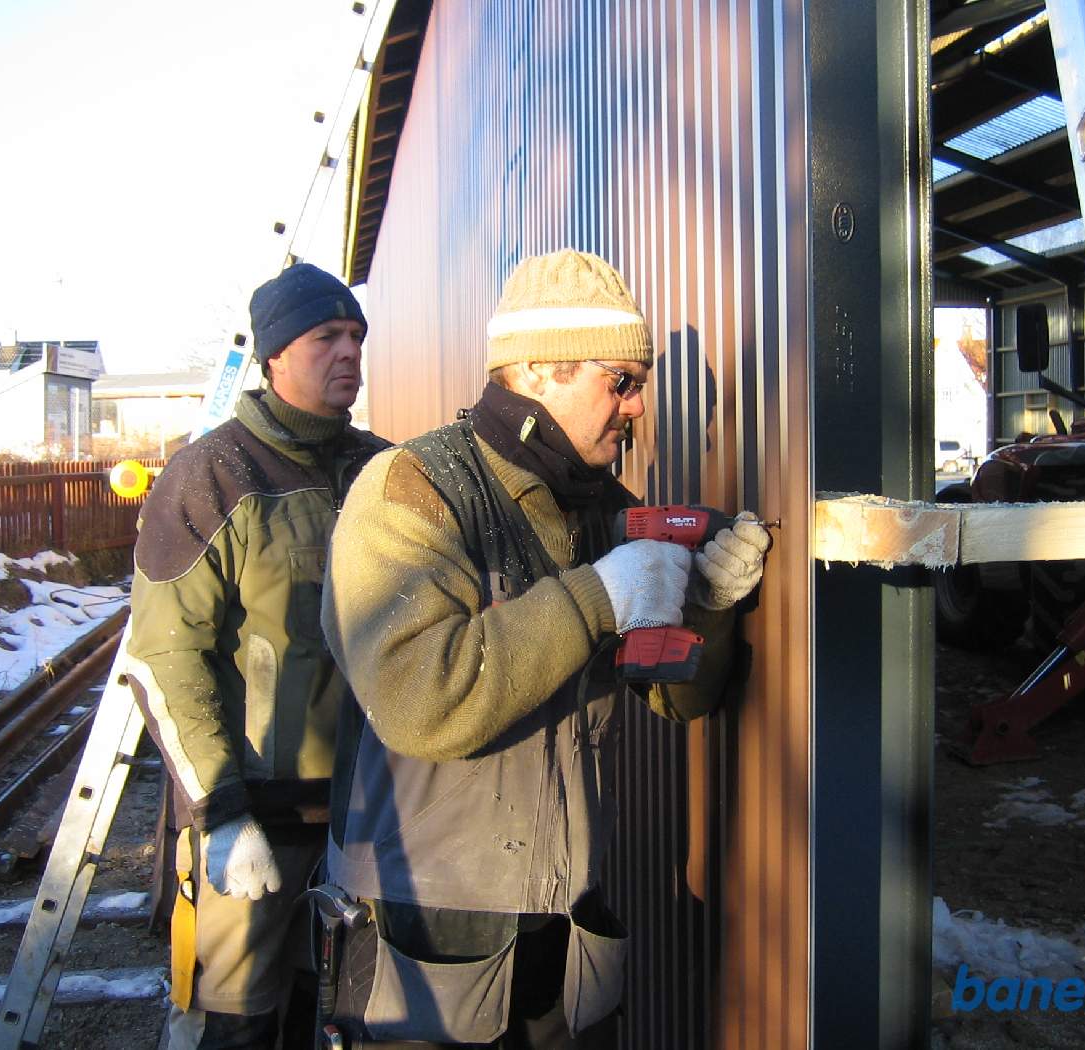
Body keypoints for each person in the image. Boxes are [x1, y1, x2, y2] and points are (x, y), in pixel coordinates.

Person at [318, 249, 772, 1047]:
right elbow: (422, 700)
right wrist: (600, 596)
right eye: (620, 382)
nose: (638, 408)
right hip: (429, 930)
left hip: (565, 924)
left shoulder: (605, 511)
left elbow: (677, 694)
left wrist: (713, 605)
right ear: (536, 369)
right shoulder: (412, 488)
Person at [125, 263, 391, 1049]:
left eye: (355, 335)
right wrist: (221, 813)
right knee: (241, 1026)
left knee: (340, 1016)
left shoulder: (384, 470)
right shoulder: (212, 475)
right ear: (275, 356)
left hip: (367, 816)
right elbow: (163, 656)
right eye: (325, 337)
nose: (348, 352)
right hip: (257, 824)